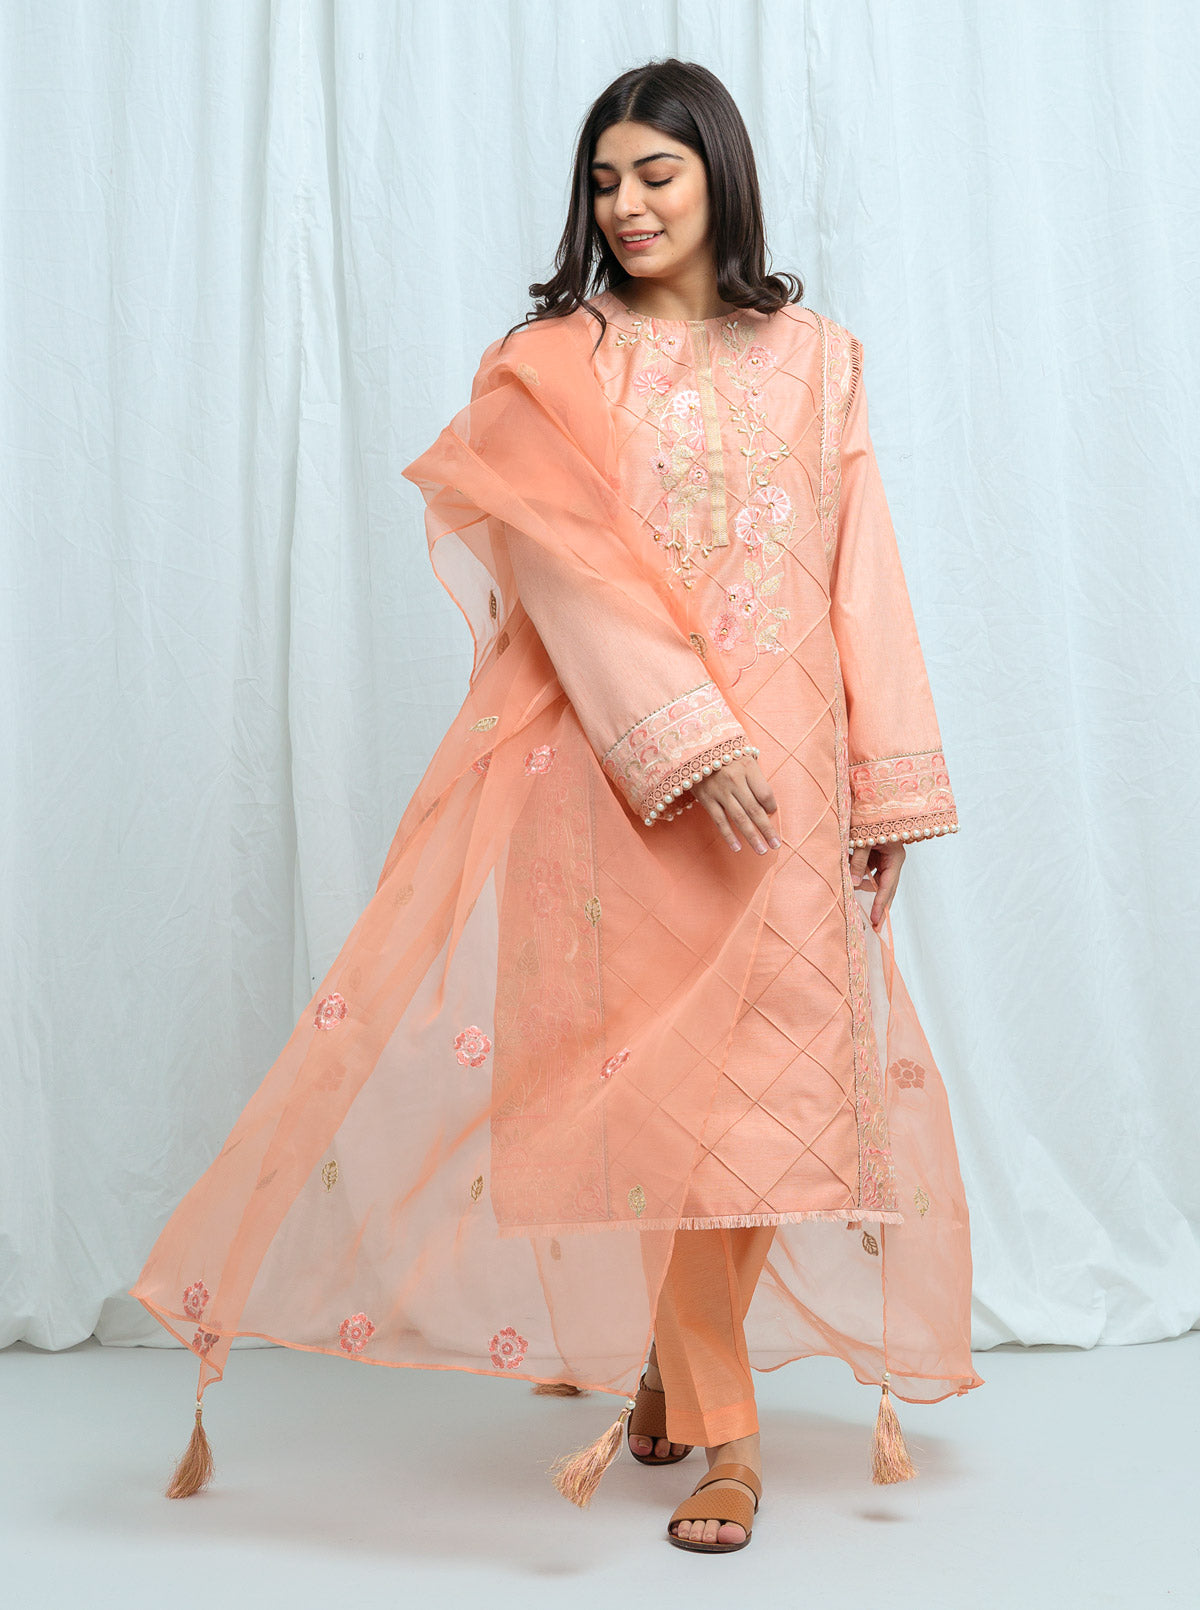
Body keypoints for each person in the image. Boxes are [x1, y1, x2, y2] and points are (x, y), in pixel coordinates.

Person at [131, 58, 982, 1556]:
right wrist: (687, 737)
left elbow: (867, 565)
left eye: (657, 172)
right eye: (604, 181)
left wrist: (885, 777)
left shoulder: (819, 358)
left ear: (720, 174)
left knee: (776, 1110)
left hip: (790, 777)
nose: (627, 205)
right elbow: (558, 570)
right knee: (669, 1110)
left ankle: (673, 1371)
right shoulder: (550, 364)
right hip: (630, 784)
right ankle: (730, 1439)